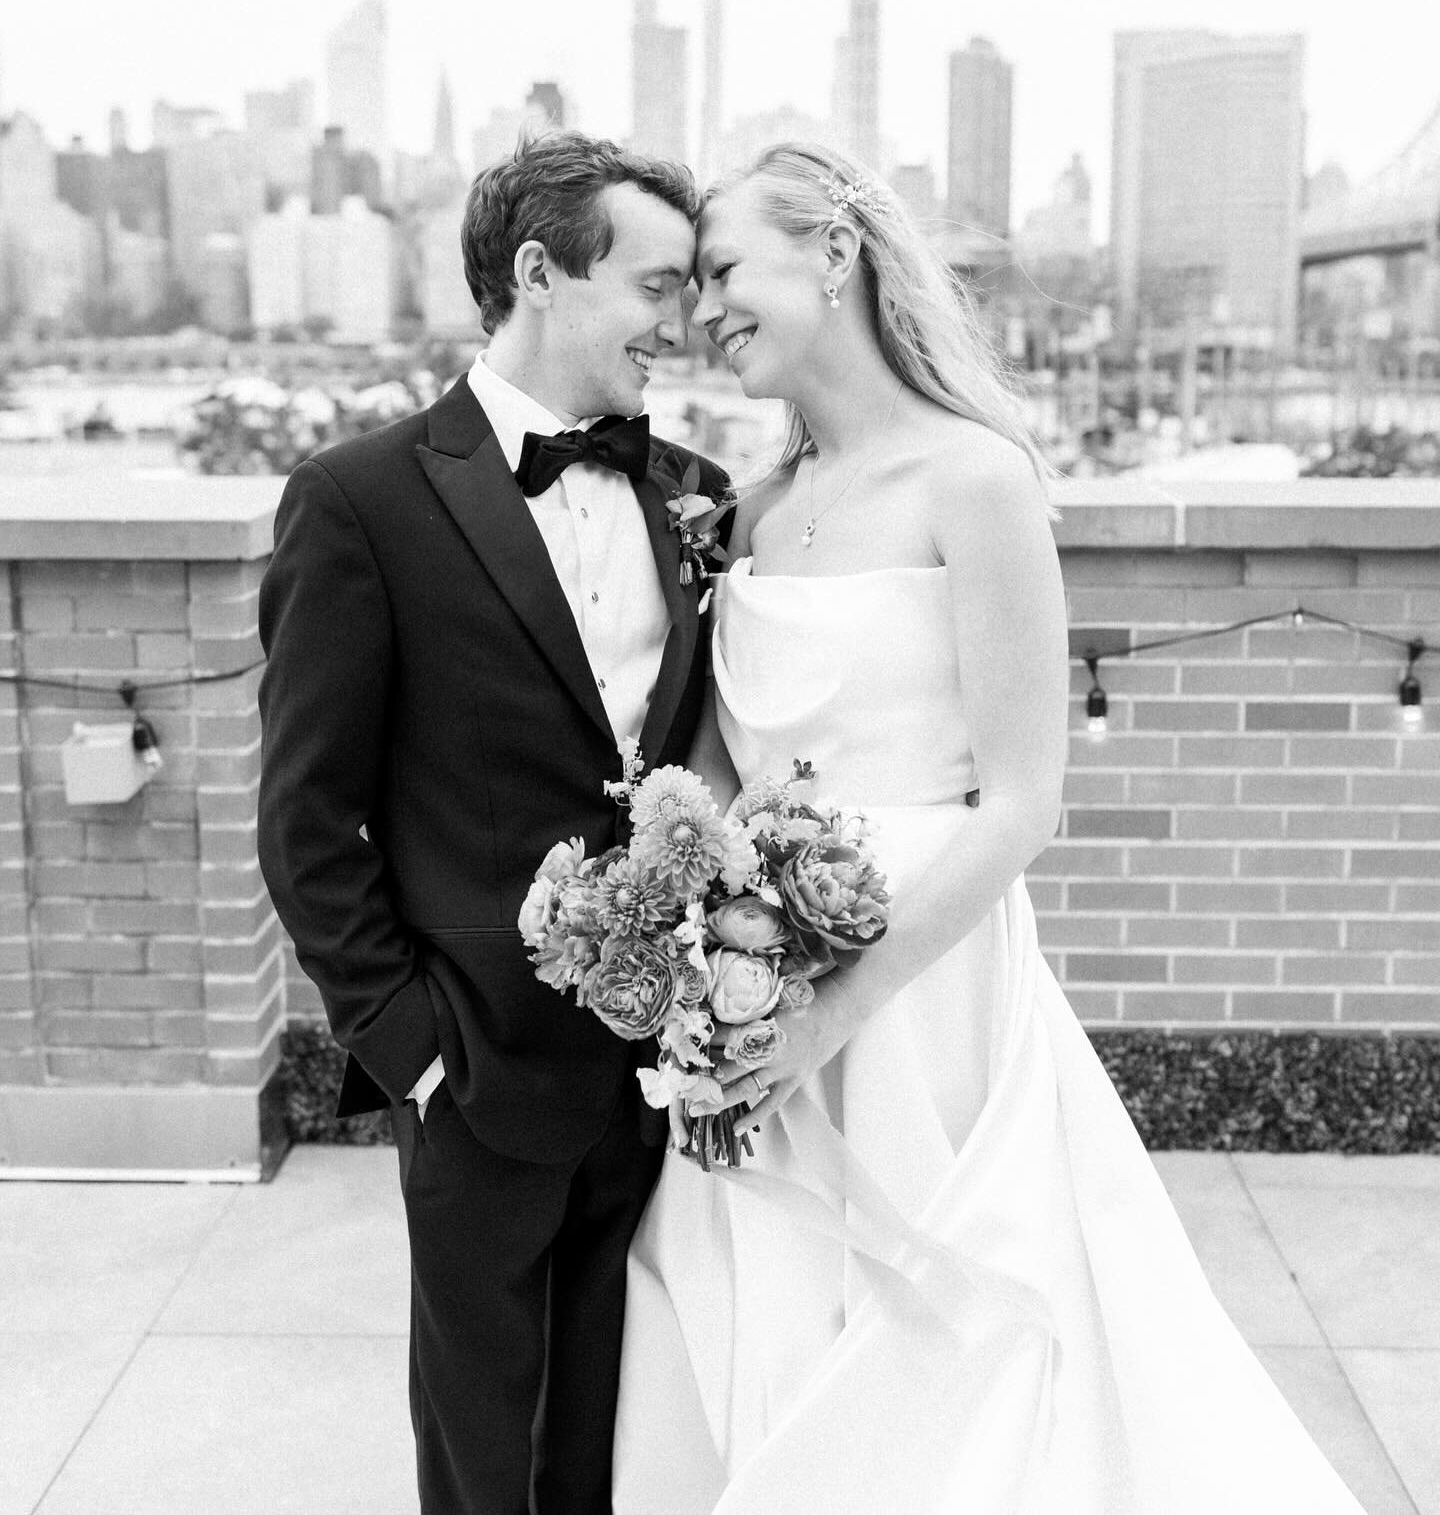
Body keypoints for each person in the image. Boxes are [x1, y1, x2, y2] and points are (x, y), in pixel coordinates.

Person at [611, 142, 1364, 1514]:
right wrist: (697, 962)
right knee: (768, 1322)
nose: (700, 313)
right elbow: (717, 768)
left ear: (833, 252)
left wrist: (838, 1012)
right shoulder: (747, 514)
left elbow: (1026, 804)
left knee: (958, 1346)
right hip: (756, 983)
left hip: (928, 992)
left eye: (724, 271)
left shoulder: (977, 482)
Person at [257, 129, 729, 1515]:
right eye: (655, 285)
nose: (683, 322)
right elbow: (305, 819)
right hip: (474, 1072)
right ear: (541, 272)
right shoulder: (359, 501)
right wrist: (414, 1057)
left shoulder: (696, 493)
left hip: (665, 1071)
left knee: (620, 1432)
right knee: (480, 1452)